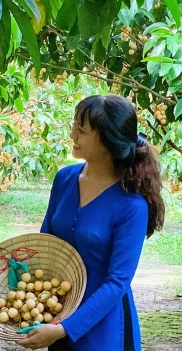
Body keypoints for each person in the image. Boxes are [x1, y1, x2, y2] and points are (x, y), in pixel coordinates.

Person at [18, 95, 165, 350]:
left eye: (81, 130)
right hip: (58, 308)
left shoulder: (132, 205)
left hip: (102, 324)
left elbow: (117, 281)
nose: (72, 134)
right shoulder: (65, 179)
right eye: (74, 125)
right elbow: (48, 243)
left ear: (108, 141)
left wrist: (66, 328)